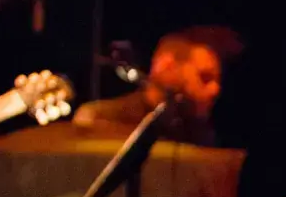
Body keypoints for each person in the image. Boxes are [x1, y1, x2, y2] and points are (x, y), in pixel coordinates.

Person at [72, 27, 239, 147]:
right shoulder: (100, 118)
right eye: (205, 77)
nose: (215, 90)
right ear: (167, 67)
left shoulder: (205, 137)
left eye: (217, 80)